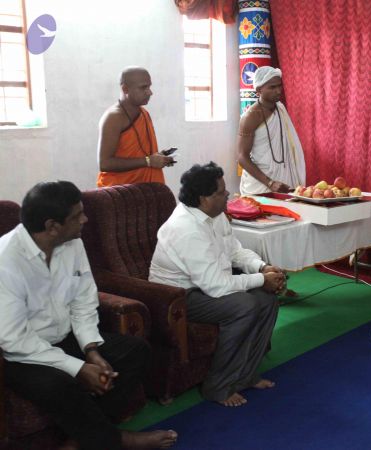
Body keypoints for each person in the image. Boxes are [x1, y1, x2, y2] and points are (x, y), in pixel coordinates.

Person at [0, 181, 177, 450]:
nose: (85, 219)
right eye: (77, 215)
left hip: (64, 337)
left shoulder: (72, 243)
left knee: (135, 352)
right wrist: (78, 368)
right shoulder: (6, 260)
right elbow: (14, 339)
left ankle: (80, 442)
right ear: (52, 226)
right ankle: (117, 440)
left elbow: (83, 299)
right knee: (58, 384)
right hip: (21, 354)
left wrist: (91, 349)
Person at [149, 162, 286, 407]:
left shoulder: (215, 215)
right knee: (245, 305)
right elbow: (216, 286)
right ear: (204, 198)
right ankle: (217, 386)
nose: (228, 195)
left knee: (267, 300)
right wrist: (261, 280)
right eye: (221, 192)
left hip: (205, 285)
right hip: (177, 297)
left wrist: (262, 268)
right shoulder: (186, 228)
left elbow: (235, 251)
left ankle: (245, 376)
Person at [97, 66, 175, 187]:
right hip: (120, 192)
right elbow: (105, 163)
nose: (150, 92)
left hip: (148, 189)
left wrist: (158, 157)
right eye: (143, 87)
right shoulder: (113, 118)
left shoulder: (144, 113)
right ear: (125, 89)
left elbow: (142, 154)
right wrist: (148, 161)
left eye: (149, 87)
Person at [237, 66, 306, 196]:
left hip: (284, 180)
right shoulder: (250, 117)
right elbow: (242, 157)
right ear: (259, 90)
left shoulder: (280, 108)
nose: (278, 91)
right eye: (272, 87)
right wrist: (270, 183)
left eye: (279, 86)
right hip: (261, 184)